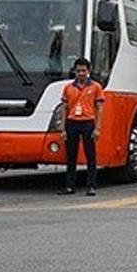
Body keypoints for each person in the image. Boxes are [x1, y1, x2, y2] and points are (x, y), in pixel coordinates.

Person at [58, 57, 105, 196]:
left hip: (88, 122)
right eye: (78, 71)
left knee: (90, 156)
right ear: (75, 71)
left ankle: (91, 186)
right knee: (70, 156)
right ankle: (69, 186)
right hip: (72, 123)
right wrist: (63, 128)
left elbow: (100, 108)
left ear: (88, 71)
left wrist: (97, 128)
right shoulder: (68, 88)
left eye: (84, 71)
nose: (81, 74)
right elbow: (64, 108)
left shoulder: (96, 87)